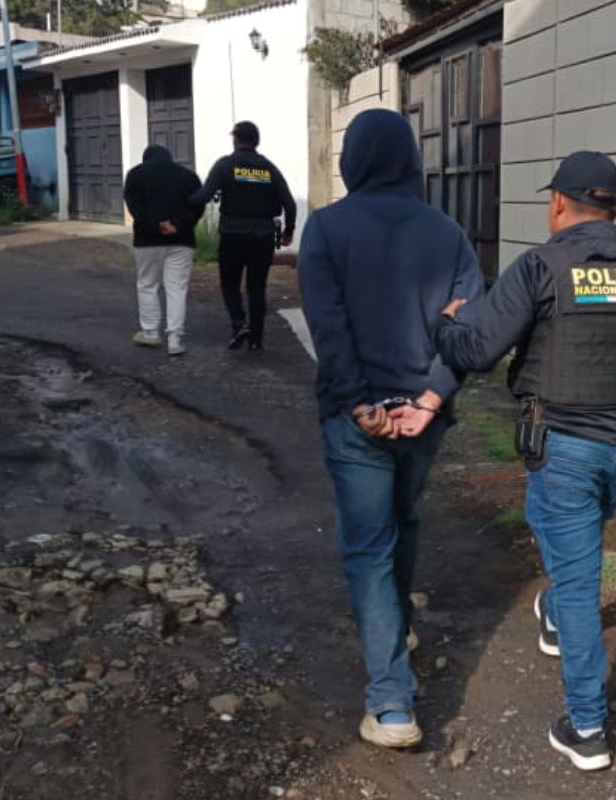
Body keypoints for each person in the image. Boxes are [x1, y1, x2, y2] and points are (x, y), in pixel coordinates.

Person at [433, 151, 616, 772]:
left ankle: (587, 728)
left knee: (576, 580)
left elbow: (478, 351)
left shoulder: (540, 266)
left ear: (559, 203)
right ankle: (561, 621)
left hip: (564, 448)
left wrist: (446, 326)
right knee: (576, 550)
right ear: (615, 210)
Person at [299, 109, 484, 750]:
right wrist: (430, 398)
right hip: (423, 419)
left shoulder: (327, 229)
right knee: (402, 520)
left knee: (369, 546)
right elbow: (468, 331)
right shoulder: (449, 234)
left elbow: (328, 329)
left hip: (359, 420)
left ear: (352, 159)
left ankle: (392, 704)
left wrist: (358, 404)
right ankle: (397, 624)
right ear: (410, 159)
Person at [190, 121, 296, 352]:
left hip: (233, 235)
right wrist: (289, 231)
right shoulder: (269, 168)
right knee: (256, 288)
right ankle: (256, 339)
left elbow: (203, 196)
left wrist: (180, 200)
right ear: (256, 141)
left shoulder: (225, 165)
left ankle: (239, 323)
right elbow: (289, 203)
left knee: (230, 284)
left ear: (236, 139)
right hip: (262, 237)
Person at [123, 145, 204, 356]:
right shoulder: (188, 176)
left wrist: (156, 225)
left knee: (147, 284)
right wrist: (177, 225)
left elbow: (135, 207)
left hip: (147, 240)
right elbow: (198, 206)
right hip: (181, 239)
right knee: (176, 288)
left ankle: (150, 333)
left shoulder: (136, 174)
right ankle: (175, 340)